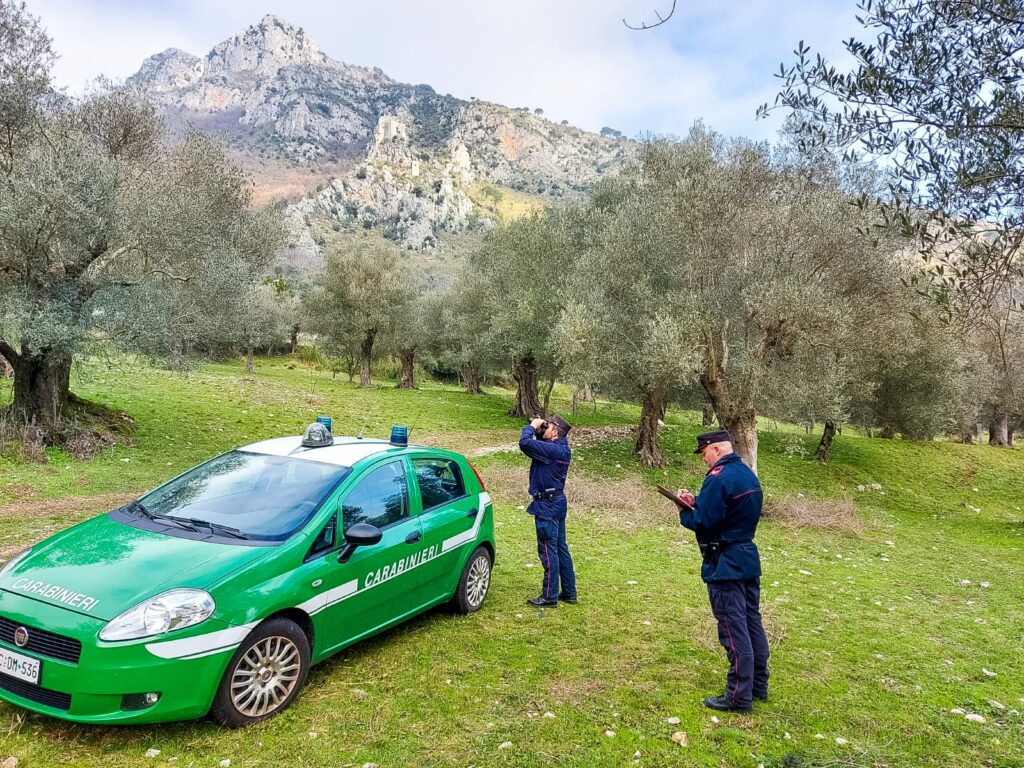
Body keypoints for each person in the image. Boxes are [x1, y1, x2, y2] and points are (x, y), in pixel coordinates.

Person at [674, 429, 769, 713]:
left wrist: (683, 509)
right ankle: (758, 686)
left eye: (704, 453)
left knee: (733, 628)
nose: (704, 460)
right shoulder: (746, 474)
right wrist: (697, 502)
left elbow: (703, 520)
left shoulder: (719, 477)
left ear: (716, 450)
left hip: (725, 561)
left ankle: (738, 696)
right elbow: (726, 512)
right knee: (752, 623)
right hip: (746, 556)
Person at [518, 414, 576, 607]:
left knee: (548, 550)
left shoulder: (553, 450)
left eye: (548, 426)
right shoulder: (560, 449)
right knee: (560, 548)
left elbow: (525, 443)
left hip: (547, 506)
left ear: (555, 432)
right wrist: (541, 429)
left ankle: (549, 596)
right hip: (557, 501)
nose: (545, 428)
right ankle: (568, 592)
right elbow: (536, 447)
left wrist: (532, 427)